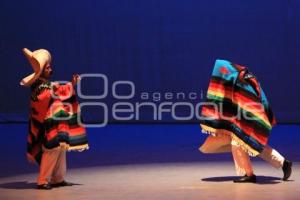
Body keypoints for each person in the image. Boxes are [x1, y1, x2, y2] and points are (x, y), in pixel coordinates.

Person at [199, 59, 292, 183]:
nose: (221, 75)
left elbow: (254, 95)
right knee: (213, 146)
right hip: (240, 118)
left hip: (251, 115)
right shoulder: (233, 81)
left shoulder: (244, 77)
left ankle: (249, 174)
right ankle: (283, 163)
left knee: (239, 143)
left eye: (222, 71)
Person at [20, 48, 89, 189]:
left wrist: (70, 85)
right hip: (48, 124)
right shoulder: (39, 86)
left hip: (57, 123)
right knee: (51, 150)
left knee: (61, 149)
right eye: (47, 67)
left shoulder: (46, 85)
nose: (50, 68)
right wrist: (65, 88)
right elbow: (45, 97)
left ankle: (58, 178)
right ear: (42, 71)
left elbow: (57, 90)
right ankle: (43, 180)